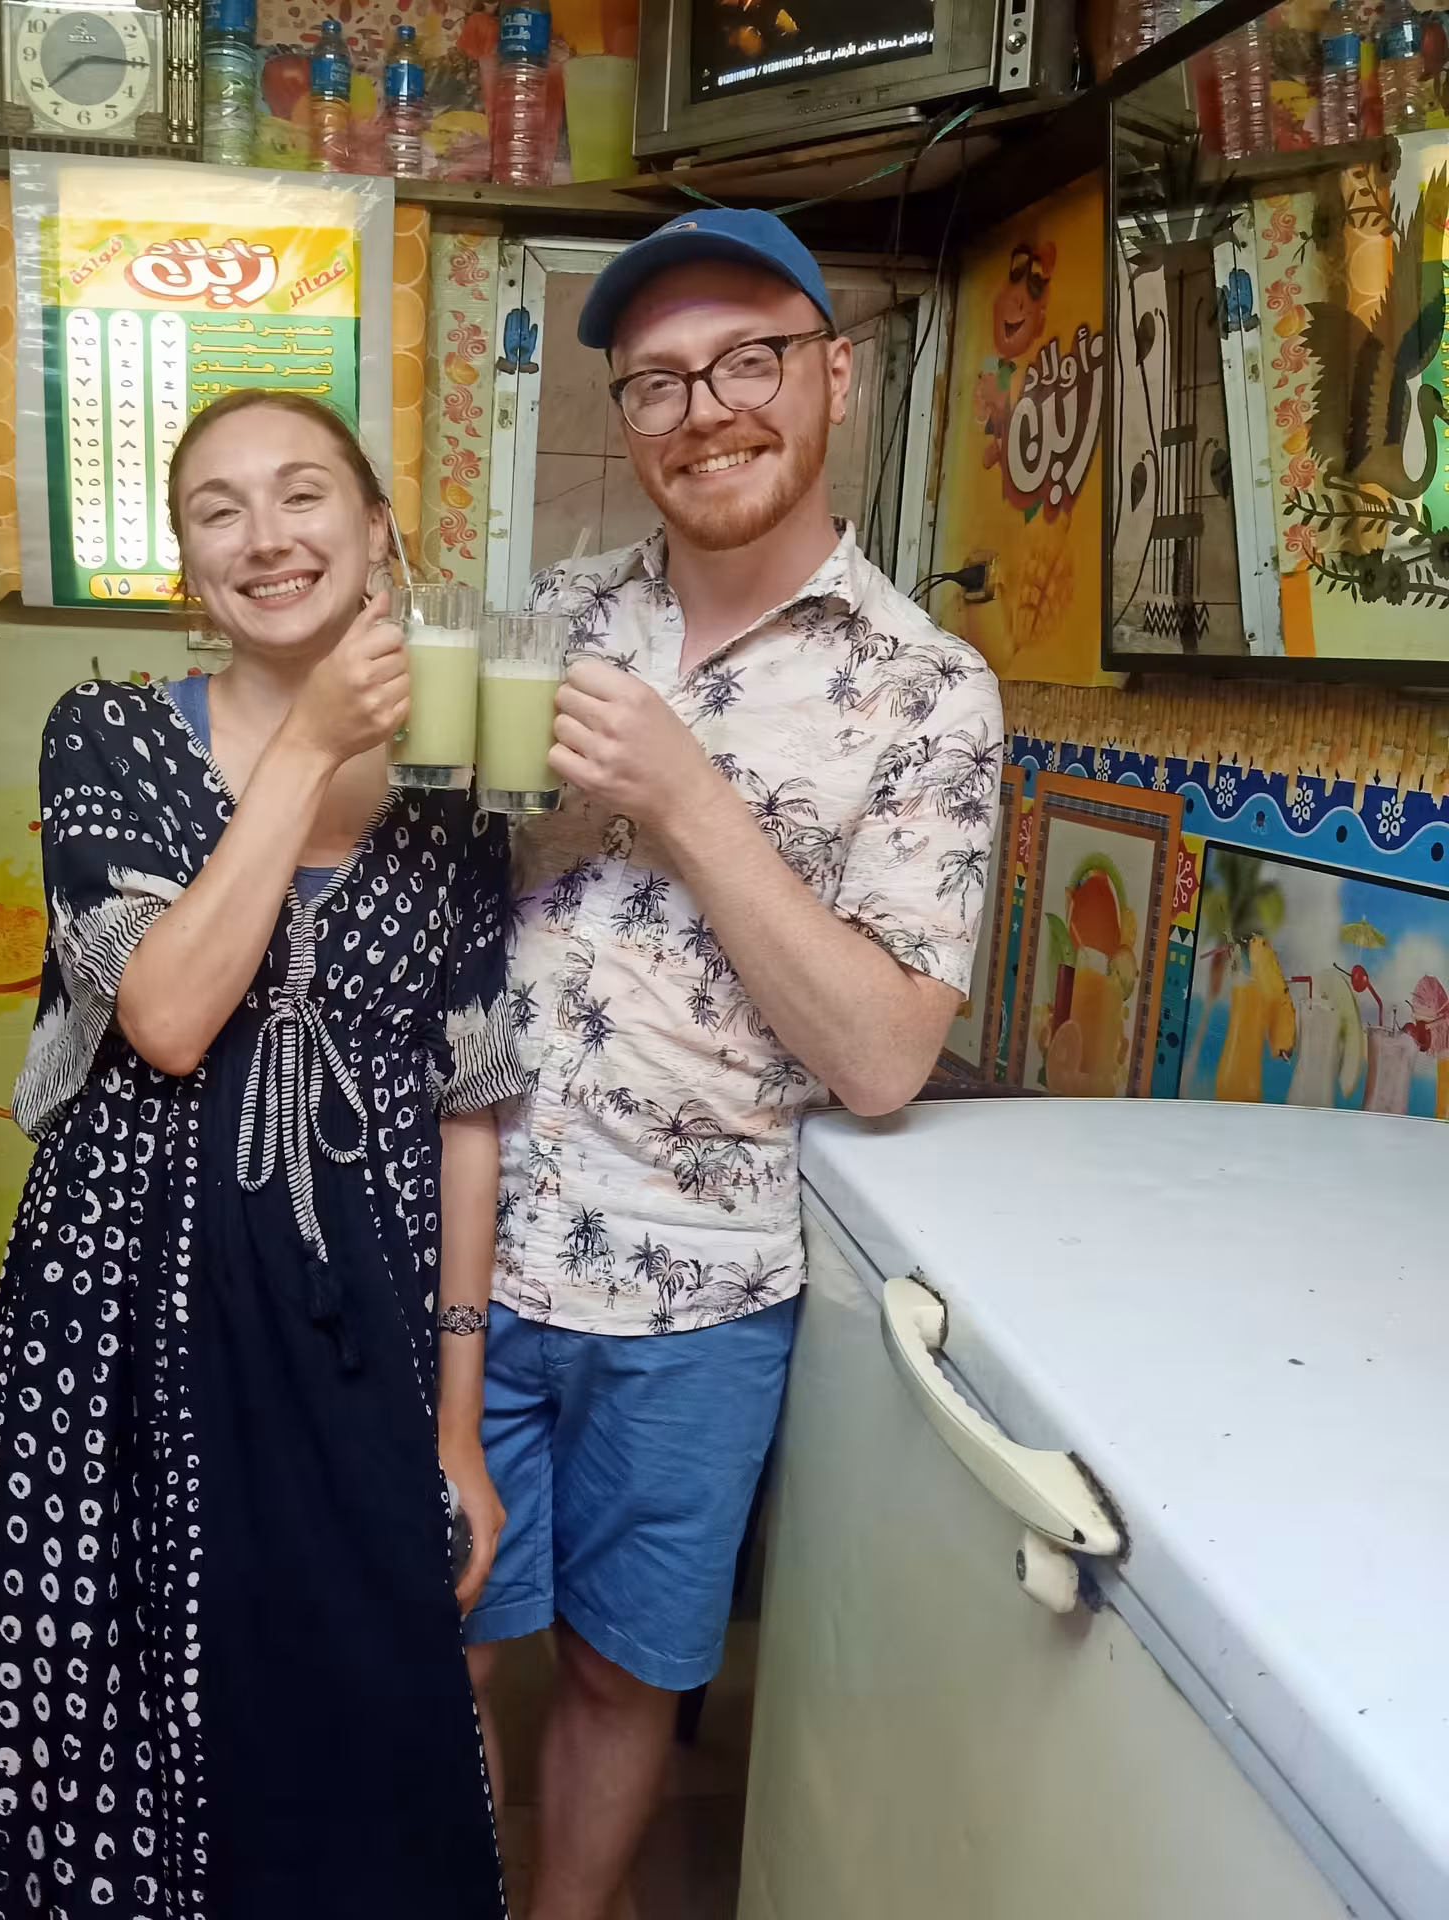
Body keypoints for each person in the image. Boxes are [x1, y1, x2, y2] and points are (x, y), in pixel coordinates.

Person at [0, 390, 522, 1919]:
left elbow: (469, 1111)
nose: (265, 535)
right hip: (121, 1320)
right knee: (94, 1702)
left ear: (379, 535)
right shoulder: (105, 732)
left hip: (354, 1321)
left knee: (361, 1702)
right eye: (217, 509)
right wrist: (304, 748)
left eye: (305, 494)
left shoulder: (458, 786)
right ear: (187, 567)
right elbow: (168, 1016)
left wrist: (458, 1424)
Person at [464, 209, 1004, 1918]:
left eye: (749, 361)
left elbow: (882, 1056)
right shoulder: (558, 615)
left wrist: (689, 798)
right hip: (471, 1248)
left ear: (834, 371)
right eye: (659, 384)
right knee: (442, 1639)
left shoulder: (929, 693)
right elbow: (453, 890)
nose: (706, 412)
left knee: (628, 1674)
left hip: (699, 1294)